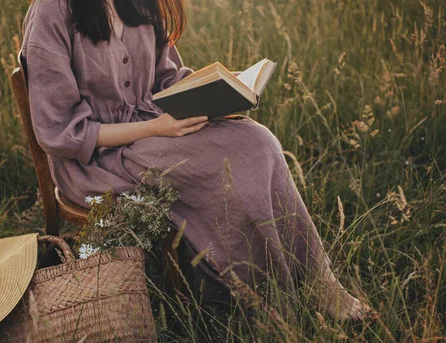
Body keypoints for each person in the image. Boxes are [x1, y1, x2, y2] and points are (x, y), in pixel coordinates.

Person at [21, 0, 370, 320]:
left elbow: (167, 80)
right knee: (218, 168)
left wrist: (216, 92)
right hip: (98, 158)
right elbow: (61, 132)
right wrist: (157, 128)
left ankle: (318, 282)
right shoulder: (52, 11)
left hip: (159, 127)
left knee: (259, 141)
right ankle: (256, 302)